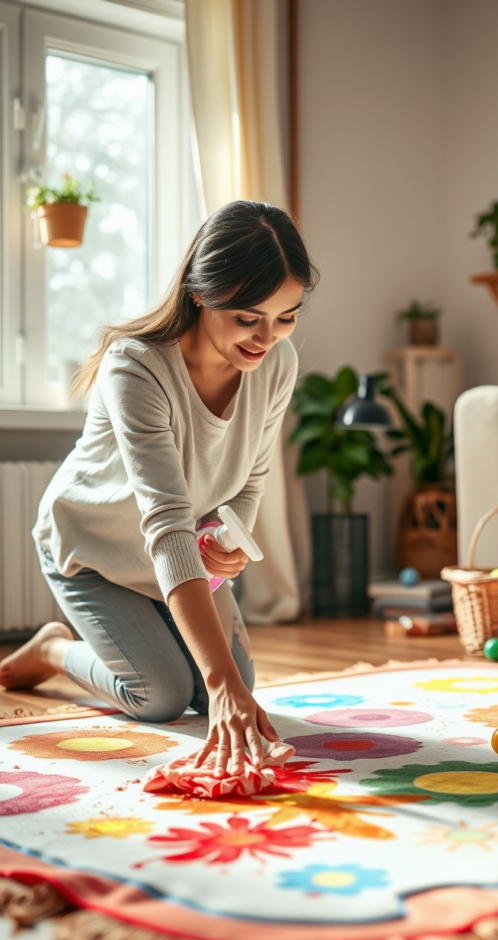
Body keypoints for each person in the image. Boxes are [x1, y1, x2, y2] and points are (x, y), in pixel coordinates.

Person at [0, 200, 318, 778]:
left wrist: (228, 538)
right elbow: (167, 524)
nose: (267, 338)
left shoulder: (277, 363)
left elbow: (249, 480)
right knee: (164, 696)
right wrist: (218, 683)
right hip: (93, 546)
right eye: (248, 318)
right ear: (201, 293)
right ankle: (51, 649)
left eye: (287, 317)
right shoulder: (136, 367)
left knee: (235, 688)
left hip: (181, 555)